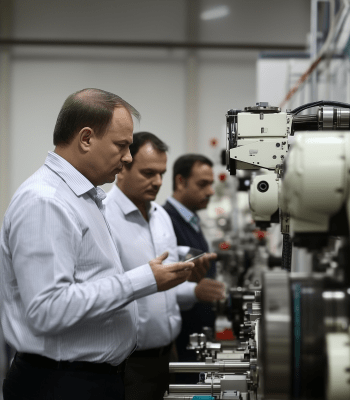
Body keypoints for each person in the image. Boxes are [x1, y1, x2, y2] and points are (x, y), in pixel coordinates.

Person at [0, 89, 198, 400]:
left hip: (89, 379)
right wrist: (144, 279)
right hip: (61, 384)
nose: (128, 157)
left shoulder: (84, 198)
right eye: (122, 145)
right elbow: (48, 309)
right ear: (86, 138)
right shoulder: (46, 202)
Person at [104, 132, 225, 400]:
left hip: (168, 352)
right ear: (122, 166)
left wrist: (189, 280)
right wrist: (194, 291)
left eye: (161, 173)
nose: (158, 182)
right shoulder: (104, 217)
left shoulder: (160, 217)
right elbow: (107, 290)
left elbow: (166, 287)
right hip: (130, 362)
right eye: (148, 173)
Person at [163, 154, 217, 383]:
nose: (211, 191)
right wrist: (196, 292)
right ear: (180, 182)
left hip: (196, 338)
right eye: (202, 184)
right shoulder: (166, 221)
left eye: (211, 184)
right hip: (181, 341)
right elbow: (165, 283)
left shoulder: (191, 221)